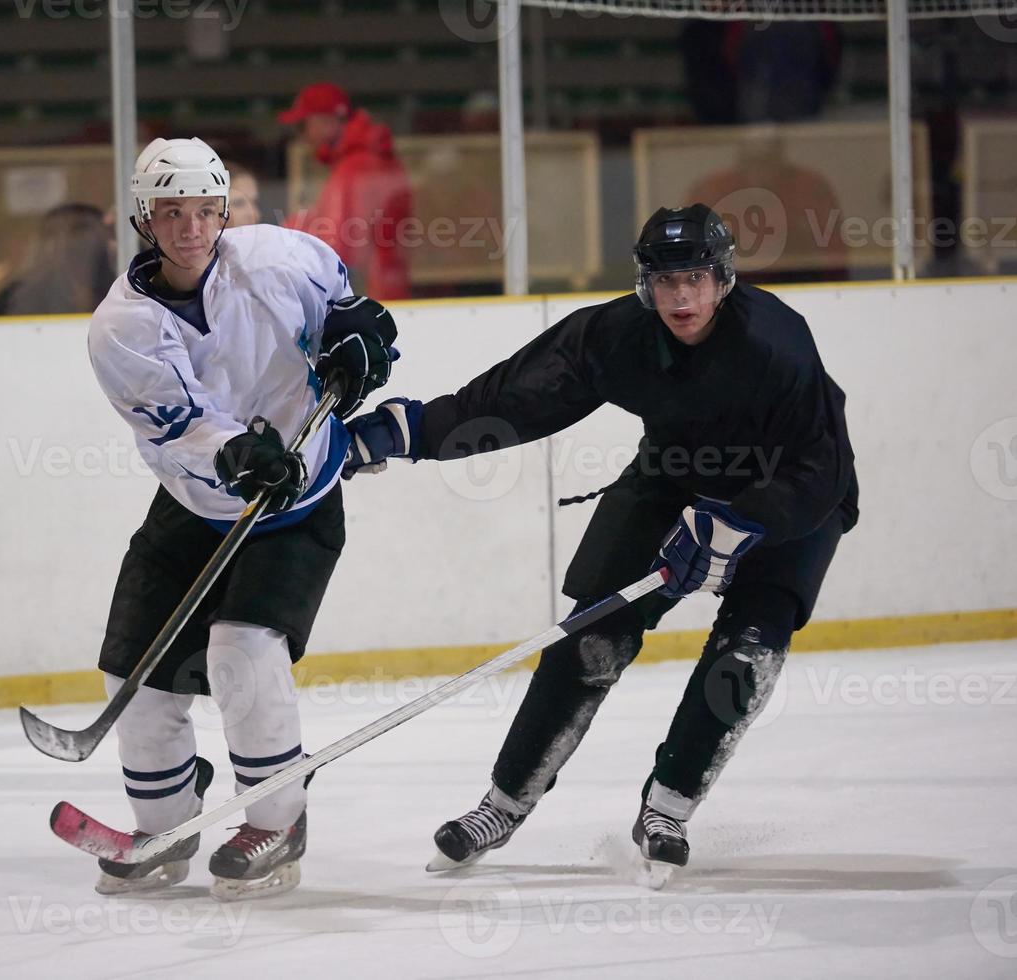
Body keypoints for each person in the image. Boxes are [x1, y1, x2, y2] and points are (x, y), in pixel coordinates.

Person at [342, 204, 858, 875]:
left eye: (695, 278)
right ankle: (504, 803)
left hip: (790, 497)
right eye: (665, 281)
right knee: (590, 633)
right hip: (672, 475)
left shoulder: (776, 343)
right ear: (645, 283)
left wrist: (738, 524)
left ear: (722, 278)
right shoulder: (617, 334)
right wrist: (411, 433)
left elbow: (822, 465)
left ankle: (667, 806)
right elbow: (517, 398)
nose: (681, 296)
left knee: (746, 652)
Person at [86, 137, 398, 900]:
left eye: (204, 210)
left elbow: (345, 303)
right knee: (136, 678)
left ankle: (276, 820)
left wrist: (361, 335)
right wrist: (235, 453)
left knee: (242, 654)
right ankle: (164, 824)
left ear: (224, 209)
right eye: (170, 212)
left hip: (299, 504)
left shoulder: (279, 258)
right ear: (142, 218)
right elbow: (179, 429)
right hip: (194, 504)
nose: (190, 228)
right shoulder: (121, 328)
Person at [280, 82, 412, 301]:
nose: (302, 136)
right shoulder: (366, 158)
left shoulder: (356, 166)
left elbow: (341, 247)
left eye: (303, 126)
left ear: (327, 122)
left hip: (372, 297)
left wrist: (291, 233)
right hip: (383, 289)